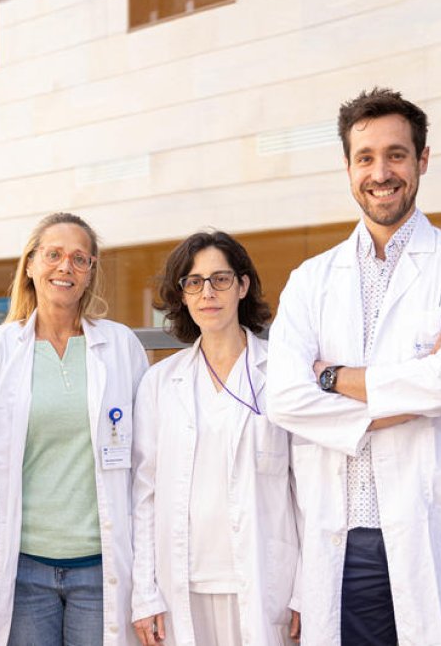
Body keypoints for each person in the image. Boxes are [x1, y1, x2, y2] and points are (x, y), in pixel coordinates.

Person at [267, 87, 441, 645]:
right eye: (365, 158)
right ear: (348, 168)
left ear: (422, 160)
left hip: (430, 521)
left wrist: (332, 378)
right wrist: (406, 399)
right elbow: (284, 398)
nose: (381, 173)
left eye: (396, 155)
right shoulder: (310, 280)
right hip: (345, 536)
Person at [0, 212, 149, 645]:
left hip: (101, 568)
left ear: (91, 271)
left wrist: (148, 569)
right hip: (24, 569)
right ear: (30, 264)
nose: (66, 267)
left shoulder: (120, 346)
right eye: (53, 255)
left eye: (79, 259)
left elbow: (145, 464)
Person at [131, 231, 301, 646]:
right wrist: (144, 592)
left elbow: (308, 490)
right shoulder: (160, 382)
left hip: (265, 578)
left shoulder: (282, 373)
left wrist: (305, 589)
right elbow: (145, 494)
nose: (207, 292)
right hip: (183, 583)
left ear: (242, 286)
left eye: (220, 279)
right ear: (183, 295)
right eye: (194, 282)